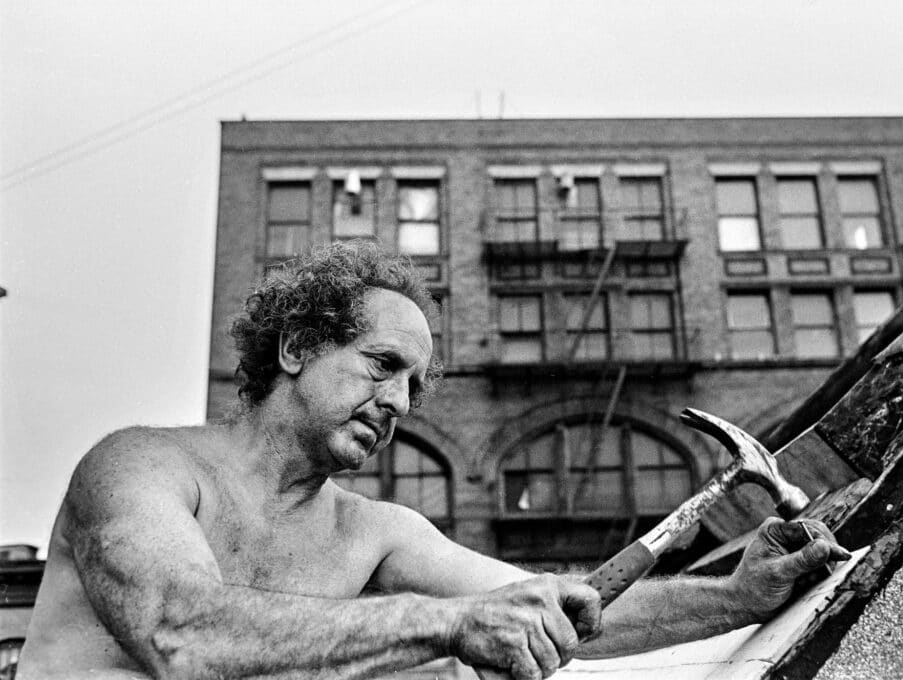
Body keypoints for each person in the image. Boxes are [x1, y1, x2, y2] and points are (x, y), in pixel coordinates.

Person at [19, 241, 850, 679]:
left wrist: (738, 597)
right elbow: (178, 632)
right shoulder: (139, 468)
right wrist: (443, 622)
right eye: (384, 366)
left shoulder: (375, 534)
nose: (402, 404)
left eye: (416, 386)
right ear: (301, 345)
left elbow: (557, 614)